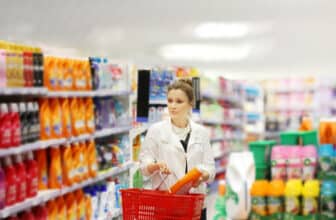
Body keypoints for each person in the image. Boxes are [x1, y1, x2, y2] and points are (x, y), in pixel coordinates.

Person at [139, 78, 215, 220]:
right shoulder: (156, 130)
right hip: (167, 205)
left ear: (190, 103)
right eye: (170, 101)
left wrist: (202, 176)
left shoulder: (201, 132)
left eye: (179, 101)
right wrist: (155, 166)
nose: (173, 106)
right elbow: (143, 165)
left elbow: (210, 169)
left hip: (195, 205)